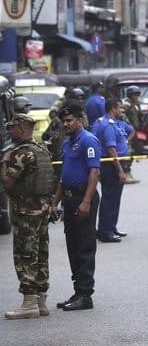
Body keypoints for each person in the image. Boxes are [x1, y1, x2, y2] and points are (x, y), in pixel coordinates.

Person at [49, 101, 101, 311]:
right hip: (70, 198)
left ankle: (86, 295)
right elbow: (63, 176)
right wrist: (55, 202)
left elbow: (94, 172)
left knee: (85, 246)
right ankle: (78, 290)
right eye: (64, 121)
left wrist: (86, 201)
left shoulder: (89, 141)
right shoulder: (66, 143)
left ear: (80, 121)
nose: (65, 124)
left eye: (69, 120)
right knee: (73, 246)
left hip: (83, 196)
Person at [2, 114, 55, 319]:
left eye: (13, 128)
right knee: (41, 254)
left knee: (25, 255)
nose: (10, 131)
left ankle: (29, 303)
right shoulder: (42, 150)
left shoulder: (22, 153)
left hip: (26, 212)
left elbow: (8, 184)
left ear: (22, 129)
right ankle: (41, 301)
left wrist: (5, 162)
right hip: (41, 210)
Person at [91, 98, 129, 243]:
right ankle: (106, 232)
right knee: (110, 199)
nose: (121, 110)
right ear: (113, 108)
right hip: (111, 166)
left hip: (107, 165)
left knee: (112, 198)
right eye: (120, 108)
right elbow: (111, 150)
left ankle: (111, 227)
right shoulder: (108, 126)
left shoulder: (100, 122)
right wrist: (120, 171)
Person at [122, 86, 143, 184]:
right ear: (130, 95)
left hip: (135, 132)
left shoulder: (134, 105)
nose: (137, 97)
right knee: (128, 152)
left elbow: (139, 117)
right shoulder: (126, 104)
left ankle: (128, 171)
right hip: (128, 132)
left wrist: (139, 108)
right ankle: (125, 173)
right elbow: (122, 115)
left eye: (138, 95)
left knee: (135, 151)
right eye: (135, 95)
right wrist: (129, 125)